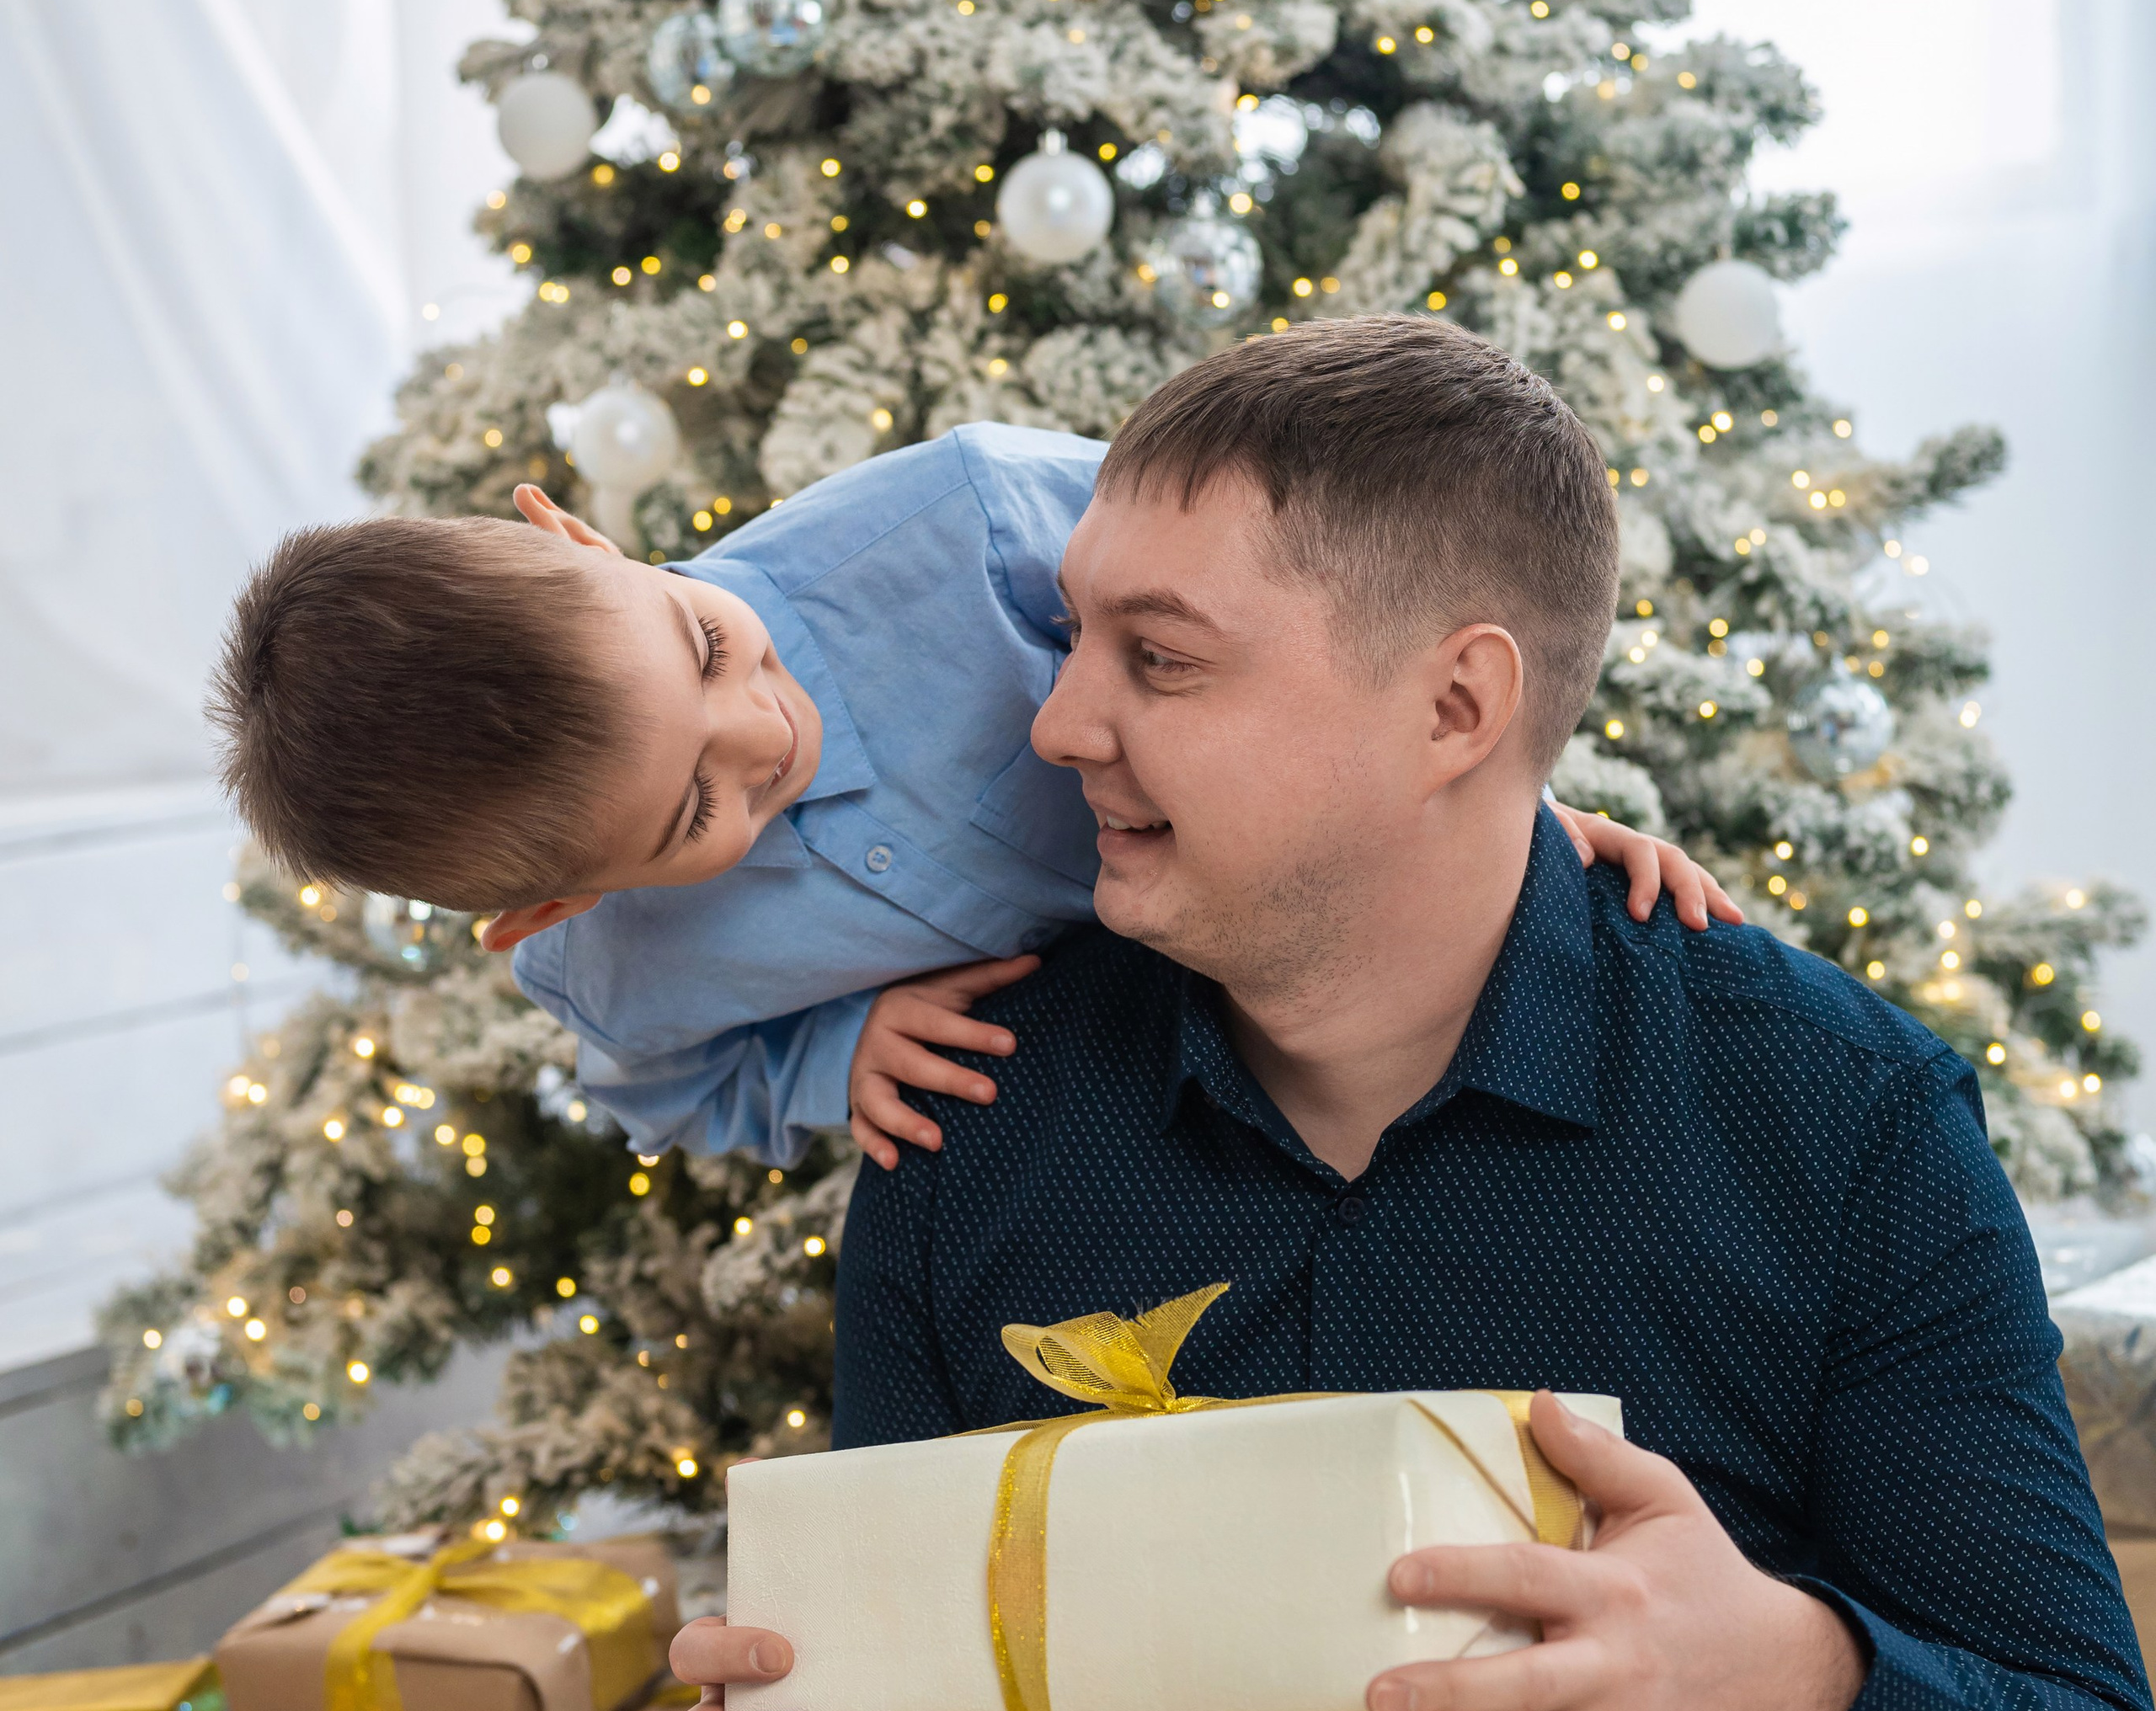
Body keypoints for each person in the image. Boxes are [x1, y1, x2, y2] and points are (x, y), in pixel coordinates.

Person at [295, 322, 2156, 1711]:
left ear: (1457, 704)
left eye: (1153, 660)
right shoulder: (970, 1110)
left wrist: (1793, 1685)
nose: (1053, 715)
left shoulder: (1826, 1114)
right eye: (1068, 634)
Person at [213, 422, 1725, 1172]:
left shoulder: (959, 518)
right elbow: (669, 1095)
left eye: (710, 644)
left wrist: (1490, 800)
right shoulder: (614, 975)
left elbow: (1303, 620)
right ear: (553, 908)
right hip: (1139, 1067)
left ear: (591, 541)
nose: (765, 730)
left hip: (1342, 884)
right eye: (695, 813)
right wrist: (830, 1058)